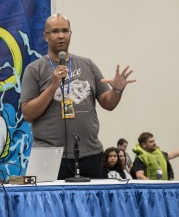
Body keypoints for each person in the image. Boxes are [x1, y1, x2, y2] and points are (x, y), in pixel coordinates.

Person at [20, 13, 135, 180]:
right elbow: (28, 114)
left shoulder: (87, 64)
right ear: (45, 36)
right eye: (55, 31)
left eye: (65, 31)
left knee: (92, 205)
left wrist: (117, 90)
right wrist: (53, 86)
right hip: (49, 155)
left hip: (90, 153)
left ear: (70, 34)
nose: (61, 35)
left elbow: (107, 103)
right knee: (49, 204)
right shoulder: (34, 69)